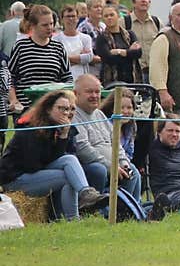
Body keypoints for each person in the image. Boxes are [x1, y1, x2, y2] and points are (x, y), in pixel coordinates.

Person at [0, 89, 109, 220]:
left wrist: (63, 136)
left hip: (36, 171)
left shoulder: (61, 127)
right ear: (48, 109)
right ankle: (72, 218)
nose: (66, 113)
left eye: (68, 109)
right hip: (15, 177)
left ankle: (85, 194)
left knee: (69, 159)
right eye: (61, 108)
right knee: (67, 176)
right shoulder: (31, 128)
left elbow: (62, 156)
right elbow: (32, 165)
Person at [71, 74, 142, 199]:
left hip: (112, 165)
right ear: (76, 94)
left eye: (97, 92)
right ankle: (97, 208)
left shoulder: (99, 114)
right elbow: (83, 149)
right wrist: (110, 166)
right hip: (91, 165)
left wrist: (123, 162)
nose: (94, 96)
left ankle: (132, 211)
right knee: (99, 170)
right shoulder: (73, 115)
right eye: (89, 92)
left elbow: (115, 143)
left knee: (132, 170)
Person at [7, 5, 73, 119]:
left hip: (53, 110)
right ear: (33, 25)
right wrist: (14, 100)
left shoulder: (58, 48)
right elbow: (9, 77)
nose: (49, 28)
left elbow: (67, 78)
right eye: (45, 25)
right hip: (26, 109)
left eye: (51, 24)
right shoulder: (21, 46)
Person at [94, 4, 142, 85]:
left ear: (118, 16)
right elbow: (108, 58)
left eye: (112, 15)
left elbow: (138, 53)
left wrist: (119, 51)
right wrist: (129, 52)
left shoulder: (130, 34)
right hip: (111, 82)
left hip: (132, 80)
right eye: (106, 16)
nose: (109, 18)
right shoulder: (101, 38)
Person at [124, 0, 162, 84]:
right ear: (133, 3)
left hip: (154, 72)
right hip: (133, 72)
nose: (143, 0)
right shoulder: (124, 22)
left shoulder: (156, 22)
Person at [53, 4, 95, 80]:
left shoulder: (85, 38)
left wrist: (66, 58)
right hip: (63, 81)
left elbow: (89, 57)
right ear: (62, 19)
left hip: (82, 79)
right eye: (68, 16)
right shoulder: (56, 39)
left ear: (78, 18)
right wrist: (79, 58)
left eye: (73, 16)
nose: (71, 19)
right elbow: (56, 60)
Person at [76, 0, 105, 77]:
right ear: (88, 10)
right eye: (96, 7)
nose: (99, 9)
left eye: (101, 7)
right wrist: (106, 57)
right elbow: (84, 54)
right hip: (90, 71)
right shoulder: (83, 28)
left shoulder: (104, 26)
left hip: (103, 70)